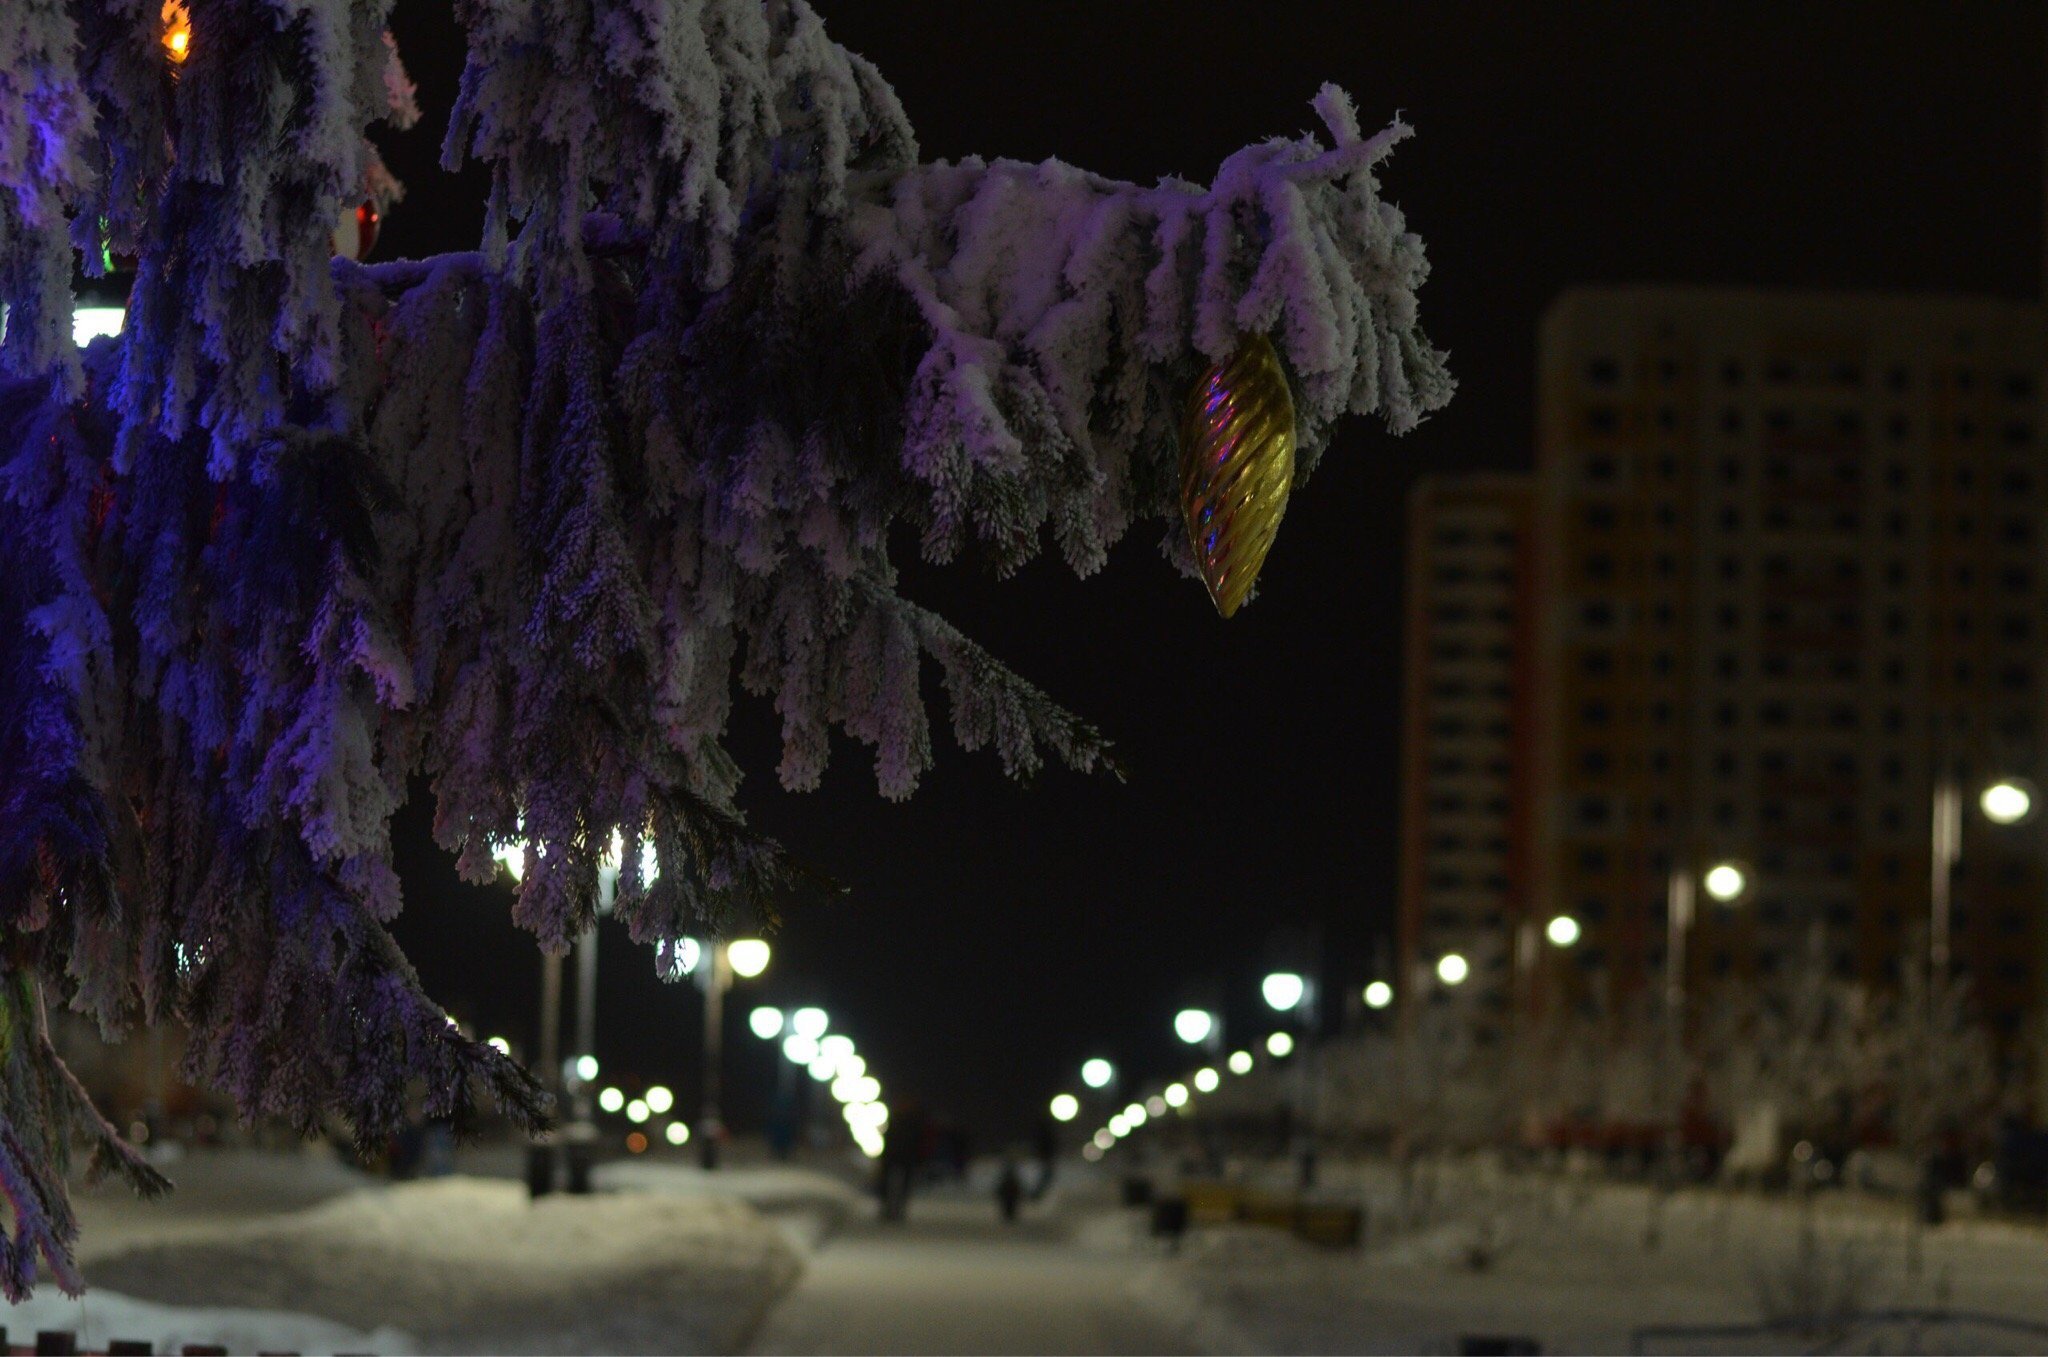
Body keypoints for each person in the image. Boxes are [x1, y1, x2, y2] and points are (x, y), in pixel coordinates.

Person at [996, 1158, 1024, 1224]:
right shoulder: (1010, 1174)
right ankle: (1009, 1217)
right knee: (1009, 1205)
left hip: (1009, 1193)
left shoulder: (1006, 1175)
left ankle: (1009, 1217)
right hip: (1009, 1192)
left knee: (1009, 1205)